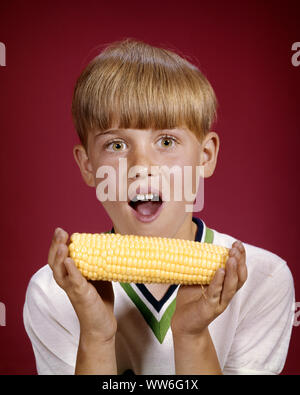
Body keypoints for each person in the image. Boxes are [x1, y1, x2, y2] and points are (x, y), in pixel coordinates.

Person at [23, 38, 295, 375]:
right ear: (88, 166)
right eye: (117, 144)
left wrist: (191, 337)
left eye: (166, 141)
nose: (141, 165)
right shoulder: (53, 292)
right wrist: (95, 338)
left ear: (205, 156)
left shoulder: (263, 279)